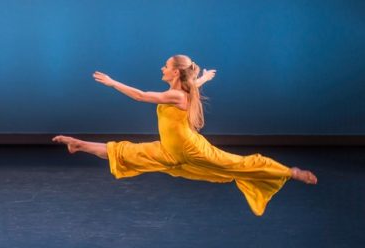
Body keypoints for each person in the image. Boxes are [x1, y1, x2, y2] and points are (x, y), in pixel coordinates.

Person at [52, 54, 317, 216]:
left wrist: (112, 82)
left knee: (241, 164)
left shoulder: (176, 94)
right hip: (169, 150)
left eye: (165, 66)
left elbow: (141, 95)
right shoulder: (187, 88)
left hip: (192, 150)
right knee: (125, 152)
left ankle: (290, 172)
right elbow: (194, 83)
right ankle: (78, 144)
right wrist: (205, 78)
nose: (161, 69)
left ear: (176, 72)